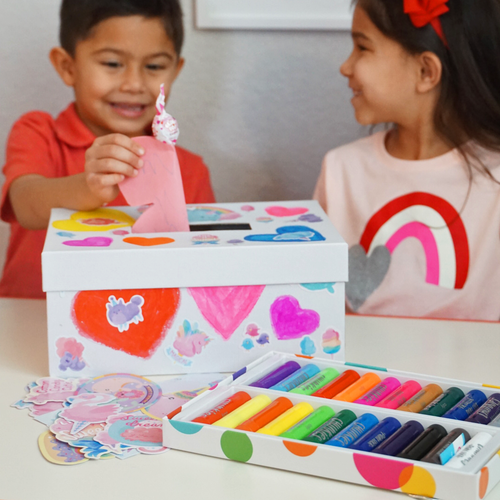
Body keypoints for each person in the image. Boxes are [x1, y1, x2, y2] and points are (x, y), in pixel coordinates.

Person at [0, 0, 215, 299]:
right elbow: (24, 203)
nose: (134, 84)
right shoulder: (39, 133)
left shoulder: (188, 169)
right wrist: (86, 188)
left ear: (175, 70)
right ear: (67, 66)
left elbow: (199, 265)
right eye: (113, 64)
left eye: (154, 66)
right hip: (28, 321)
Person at [314, 0, 500, 320]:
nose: (346, 66)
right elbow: (318, 298)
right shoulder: (340, 170)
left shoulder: (495, 181)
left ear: (426, 71)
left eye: (362, 47)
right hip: (363, 370)